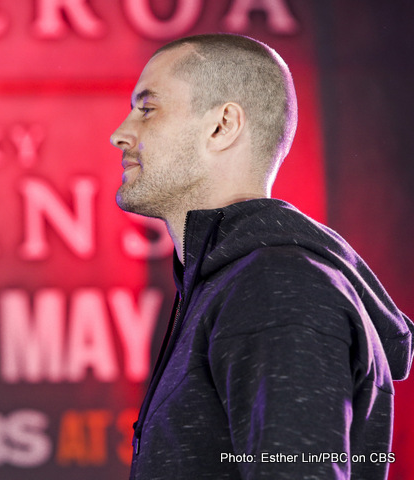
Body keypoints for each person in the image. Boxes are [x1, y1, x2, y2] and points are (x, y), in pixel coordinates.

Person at [110, 33, 414, 479]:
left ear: (222, 126)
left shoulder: (276, 286)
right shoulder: (233, 282)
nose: (121, 133)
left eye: (147, 108)